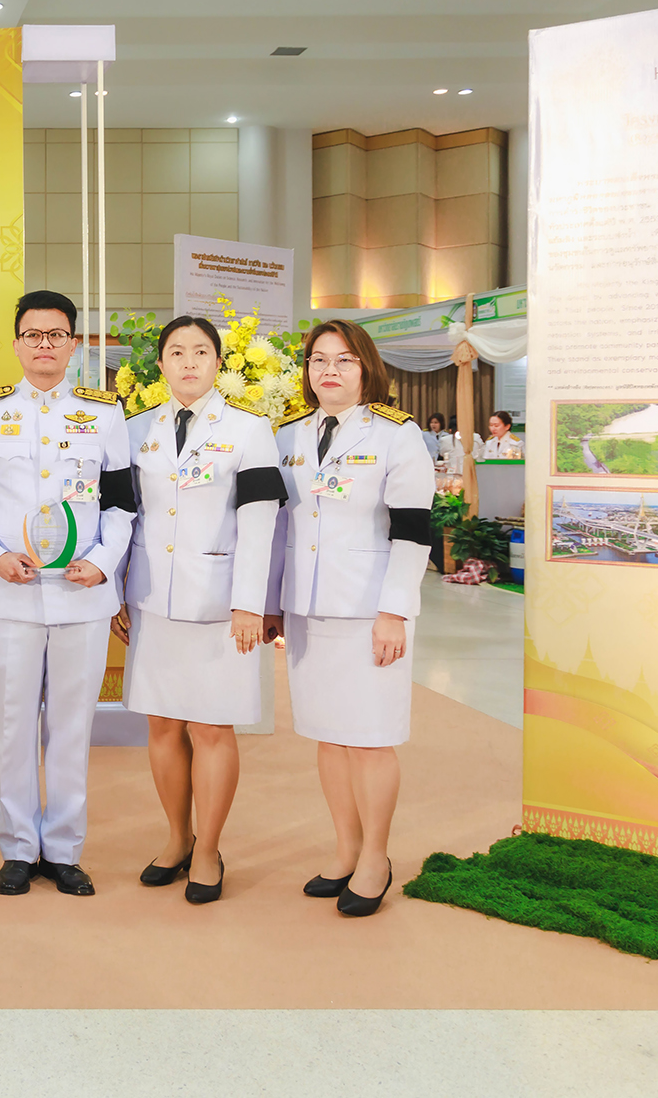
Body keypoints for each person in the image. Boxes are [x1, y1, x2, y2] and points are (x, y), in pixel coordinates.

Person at [0, 290, 135, 896]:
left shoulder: (104, 415)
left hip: (82, 595)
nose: (44, 345)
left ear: (73, 345)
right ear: (16, 344)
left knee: (71, 726)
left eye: (56, 335)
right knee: (13, 724)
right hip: (11, 594)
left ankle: (62, 849)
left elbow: (121, 504)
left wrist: (104, 563)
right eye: (32, 334)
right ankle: (17, 847)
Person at [266, 319, 434, 918]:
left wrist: (393, 611)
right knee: (330, 736)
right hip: (308, 608)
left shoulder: (396, 434)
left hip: (369, 611)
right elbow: (277, 525)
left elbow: (413, 531)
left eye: (343, 360)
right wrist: (271, 602)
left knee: (369, 738)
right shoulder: (287, 435)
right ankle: (344, 850)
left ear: (367, 368)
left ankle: (375, 859)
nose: (329, 370)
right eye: (318, 359)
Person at [117, 317, 283, 904]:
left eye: (201, 351)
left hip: (220, 606)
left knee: (211, 726)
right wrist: (117, 591)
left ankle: (209, 849)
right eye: (176, 352)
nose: (188, 362)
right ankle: (177, 838)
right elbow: (125, 518)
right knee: (162, 725)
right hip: (152, 599)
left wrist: (250, 604)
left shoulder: (250, 430)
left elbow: (260, 524)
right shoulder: (136, 430)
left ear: (218, 362)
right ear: (160, 363)